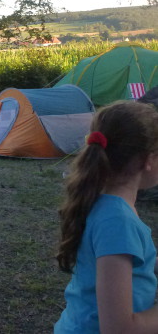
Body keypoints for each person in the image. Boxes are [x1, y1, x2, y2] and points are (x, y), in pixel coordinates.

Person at [54, 100, 158, 334]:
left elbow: (130, 258)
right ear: (147, 160)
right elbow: (119, 328)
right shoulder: (117, 221)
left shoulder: (105, 202)